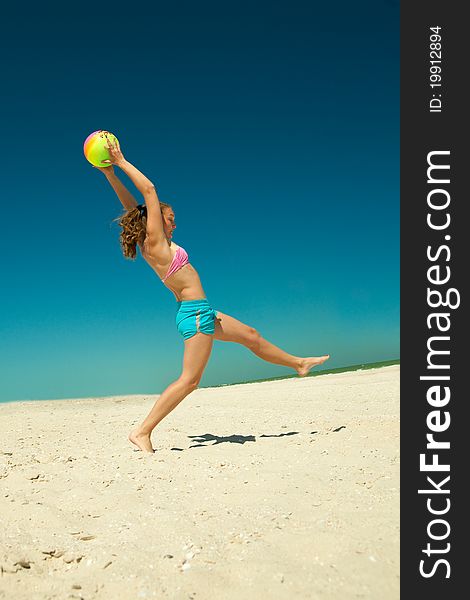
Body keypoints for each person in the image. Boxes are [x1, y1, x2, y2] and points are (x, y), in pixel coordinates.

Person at [94, 133, 329, 453]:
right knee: (189, 380)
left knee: (251, 335)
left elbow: (130, 207)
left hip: (201, 310)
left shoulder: (149, 240)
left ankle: (298, 364)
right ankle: (143, 431)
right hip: (194, 314)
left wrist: (109, 174)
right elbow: (148, 190)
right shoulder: (155, 241)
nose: (174, 225)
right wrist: (120, 161)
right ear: (157, 220)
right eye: (171, 219)